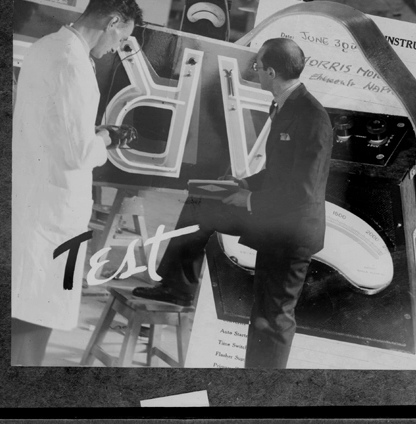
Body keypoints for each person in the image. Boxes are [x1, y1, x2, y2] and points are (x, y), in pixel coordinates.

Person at [133, 37, 333, 369]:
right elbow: (279, 172)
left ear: (270, 71)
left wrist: (249, 198)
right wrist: (242, 184)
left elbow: (304, 190)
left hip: (292, 230)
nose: (254, 71)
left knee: (272, 317)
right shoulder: (286, 104)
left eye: (257, 66)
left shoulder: (311, 115)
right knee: (202, 198)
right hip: (274, 216)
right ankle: (177, 287)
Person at [12, 0, 143, 366]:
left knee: (25, 308)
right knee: (36, 317)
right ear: (112, 21)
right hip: (52, 209)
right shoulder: (73, 63)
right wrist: (107, 137)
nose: (118, 47)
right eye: (122, 37)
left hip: (33, 198)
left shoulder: (45, 47)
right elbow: (79, 153)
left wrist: (93, 134)